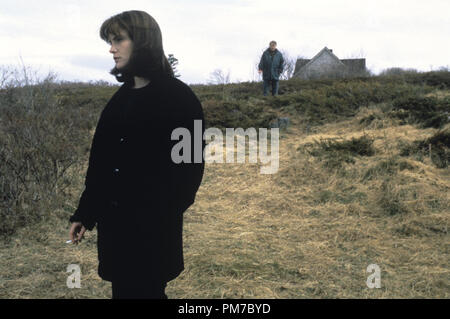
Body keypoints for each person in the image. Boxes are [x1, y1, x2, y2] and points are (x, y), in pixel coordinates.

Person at [68, 10, 205, 299]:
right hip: (116, 230)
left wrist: (156, 215)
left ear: (142, 41)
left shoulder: (180, 99)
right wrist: (86, 212)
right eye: (110, 40)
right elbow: (101, 165)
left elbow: (190, 171)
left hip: (152, 234)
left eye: (118, 39)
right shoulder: (119, 100)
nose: (111, 48)